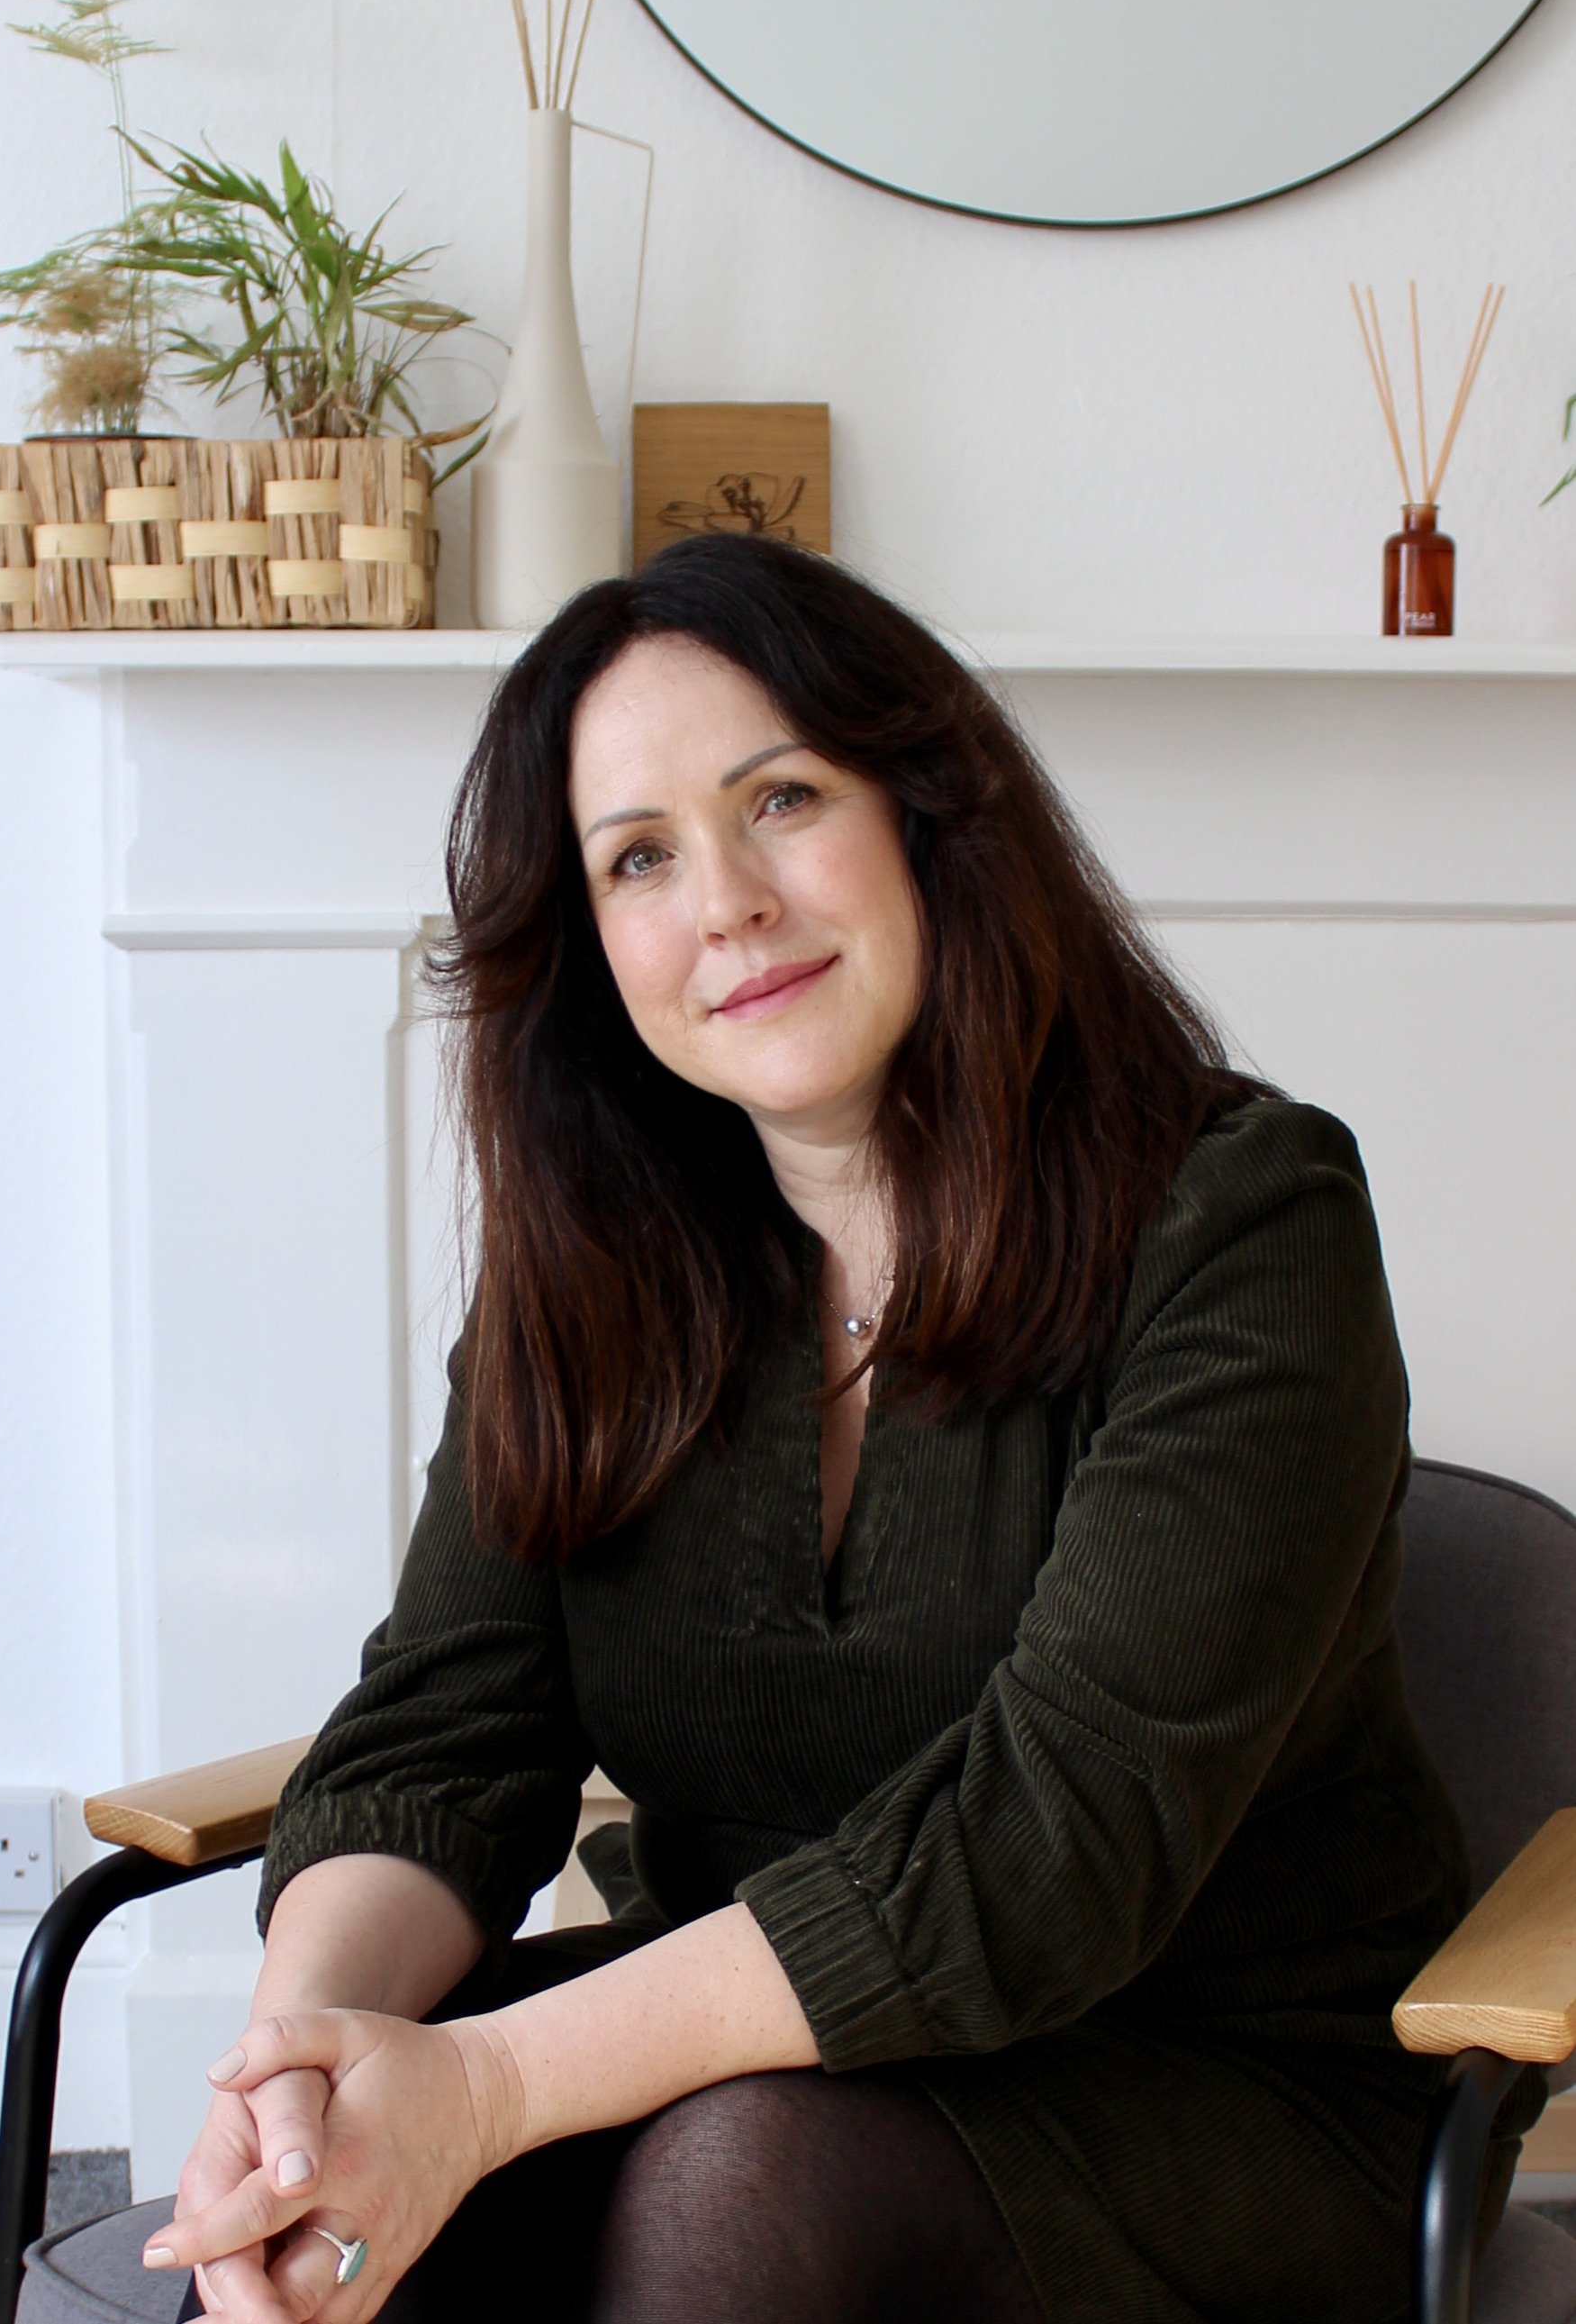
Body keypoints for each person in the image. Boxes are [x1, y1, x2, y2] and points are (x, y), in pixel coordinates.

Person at [140, 536, 1541, 2324]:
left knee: (734, 2180)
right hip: (739, 2043)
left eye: (778, 797)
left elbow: (1045, 1849)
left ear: (926, 812)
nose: (721, 899)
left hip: (1214, 2079)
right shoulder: (594, 1273)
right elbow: (445, 1726)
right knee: (331, 2209)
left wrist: (488, 2086)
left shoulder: (1238, 1222)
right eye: (637, 854)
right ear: (589, 944)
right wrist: (291, 2078)